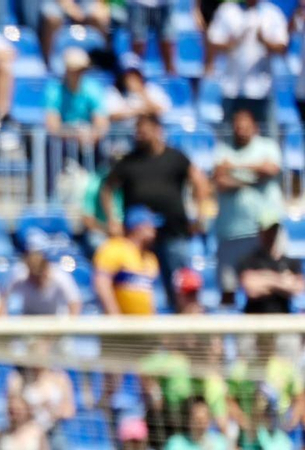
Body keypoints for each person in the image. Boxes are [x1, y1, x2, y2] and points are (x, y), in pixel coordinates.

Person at [101, 115, 208, 309]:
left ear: (158, 130)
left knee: (181, 289)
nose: (140, 135)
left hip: (173, 234)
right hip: (139, 240)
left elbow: (199, 182)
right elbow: (107, 189)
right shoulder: (129, 161)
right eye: (138, 131)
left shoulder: (175, 157)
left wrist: (200, 217)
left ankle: (183, 325)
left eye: (145, 130)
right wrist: (112, 219)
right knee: (138, 290)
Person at [212, 108, 283, 306]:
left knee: (267, 287)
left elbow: (270, 169)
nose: (241, 130)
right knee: (228, 289)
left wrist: (235, 168)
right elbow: (220, 180)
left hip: (264, 232)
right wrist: (253, 177)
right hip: (231, 232)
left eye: (245, 126)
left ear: (255, 127)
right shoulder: (223, 149)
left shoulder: (267, 146)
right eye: (237, 126)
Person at [204, 0, 288, 128]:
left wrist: (264, 41)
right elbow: (212, 42)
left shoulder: (272, 13)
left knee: (267, 136)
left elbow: (282, 47)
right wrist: (233, 43)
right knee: (228, 136)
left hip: (262, 90)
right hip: (232, 89)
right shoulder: (227, 10)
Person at [93, 205, 162, 315]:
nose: (154, 229)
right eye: (150, 225)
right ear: (138, 227)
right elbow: (102, 283)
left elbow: (152, 297)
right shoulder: (115, 248)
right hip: (122, 321)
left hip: (145, 322)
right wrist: (114, 315)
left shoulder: (150, 258)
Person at [237, 216, 302, 314]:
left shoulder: (291, 262)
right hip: (254, 318)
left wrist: (264, 278)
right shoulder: (249, 261)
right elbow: (251, 289)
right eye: (266, 231)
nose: (270, 235)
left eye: (273, 231)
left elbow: (296, 289)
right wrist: (282, 281)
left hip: (283, 318)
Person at [7, 247, 82, 315]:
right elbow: (4, 297)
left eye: (39, 275)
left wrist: (70, 323)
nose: (36, 279)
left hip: (55, 319)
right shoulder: (20, 275)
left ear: (46, 269)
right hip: (29, 317)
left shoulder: (61, 277)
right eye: (33, 276)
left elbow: (74, 302)